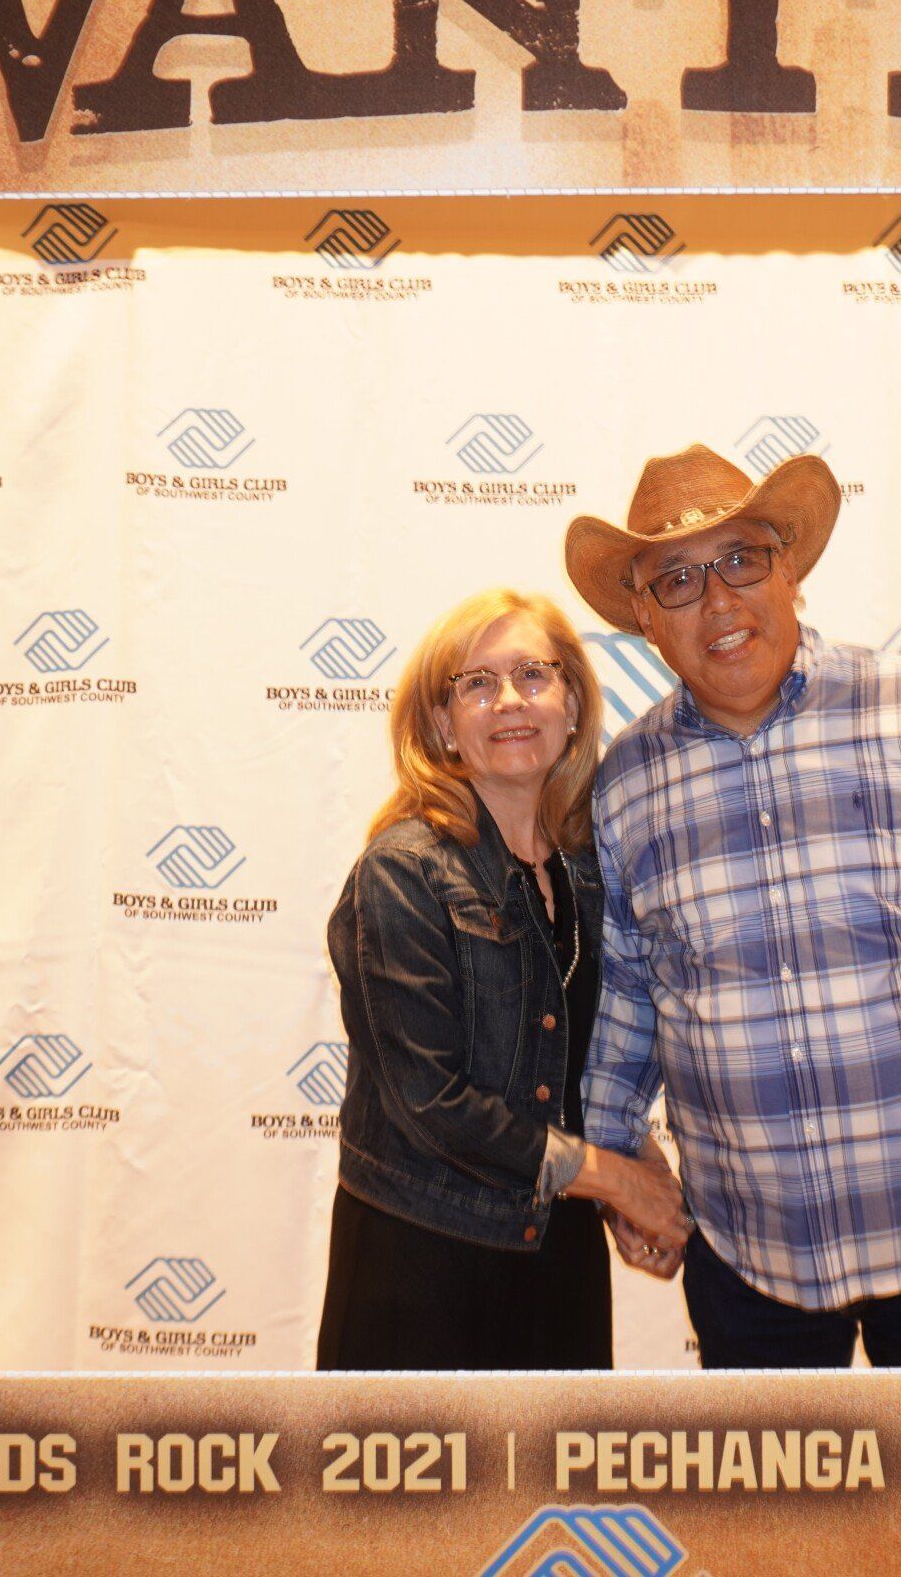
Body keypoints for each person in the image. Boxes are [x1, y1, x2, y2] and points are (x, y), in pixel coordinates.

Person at [564, 445, 901, 1369]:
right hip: (747, 1258)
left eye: (741, 560)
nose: (718, 600)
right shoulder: (626, 784)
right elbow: (628, 995)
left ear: (790, 569)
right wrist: (620, 1157)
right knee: (763, 1481)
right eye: (678, 580)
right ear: (645, 618)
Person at [316, 587, 692, 1371]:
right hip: (422, 1267)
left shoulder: (589, 873)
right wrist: (614, 1181)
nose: (510, 700)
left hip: (558, 1259)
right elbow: (431, 1104)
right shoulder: (403, 873)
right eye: (477, 684)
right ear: (441, 724)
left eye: (532, 674)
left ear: (572, 705)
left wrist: (638, 1169)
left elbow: (587, 1069)